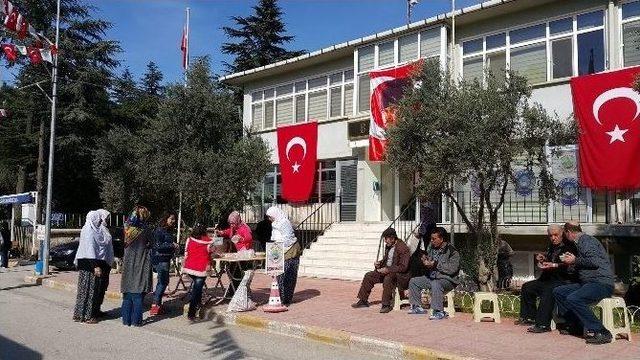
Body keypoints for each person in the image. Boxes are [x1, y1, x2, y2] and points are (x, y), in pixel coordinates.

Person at [553, 222, 615, 345]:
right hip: (588, 283)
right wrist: (569, 263)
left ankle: (602, 332)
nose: (565, 237)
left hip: (601, 283)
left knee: (574, 298)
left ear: (569, 232)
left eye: (564, 234)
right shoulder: (581, 243)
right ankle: (577, 326)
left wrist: (575, 260)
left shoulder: (587, 241)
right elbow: (583, 265)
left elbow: (594, 261)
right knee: (559, 292)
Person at [516, 224, 578, 333]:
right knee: (527, 287)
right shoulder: (551, 246)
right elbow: (550, 260)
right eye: (550, 236)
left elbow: (570, 266)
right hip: (548, 278)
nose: (553, 238)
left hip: (564, 280)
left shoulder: (570, 246)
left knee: (548, 290)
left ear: (562, 233)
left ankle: (543, 324)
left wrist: (553, 265)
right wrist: (542, 259)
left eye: (555, 235)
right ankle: (530, 317)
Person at [352, 227, 411, 313]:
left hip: (400, 275)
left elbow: (403, 267)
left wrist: (388, 269)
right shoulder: (389, 246)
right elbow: (387, 260)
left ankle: (386, 304)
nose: (385, 241)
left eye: (386, 239)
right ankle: (363, 300)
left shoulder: (403, 248)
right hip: (388, 271)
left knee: (388, 278)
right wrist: (379, 264)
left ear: (392, 238)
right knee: (369, 275)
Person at [407, 227, 460, 320]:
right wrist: (425, 260)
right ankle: (416, 307)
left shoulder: (452, 251)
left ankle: (439, 311)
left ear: (442, 239)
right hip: (431, 277)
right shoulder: (431, 247)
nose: (431, 241)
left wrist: (435, 264)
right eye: (431, 238)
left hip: (447, 280)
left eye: (434, 239)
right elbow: (429, 258)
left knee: (436, 283)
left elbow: (452, 269)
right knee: (414, 281)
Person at [73, 211, 109, 323]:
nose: (100, 221)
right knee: (90, 291)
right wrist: (95, 266)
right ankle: (88, 316)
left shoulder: (90, 229)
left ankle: (81, 314)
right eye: (98, 219)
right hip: (90, 265)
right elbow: (90, 250)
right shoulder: (89, 231)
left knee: (87, 291)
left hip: (87, 264)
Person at [120, 205, 153, 327]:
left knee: (127, 293)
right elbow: (152, 244)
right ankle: (136, 321)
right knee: (138, 294)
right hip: (141, 262)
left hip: (128, 264)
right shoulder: (146, 230)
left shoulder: (126, 228)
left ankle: (126, 320)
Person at [266, 206, 302, 306]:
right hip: (279, 250)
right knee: (279, 275)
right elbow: (275, 236)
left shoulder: (284, 222)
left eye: (270, 216)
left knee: (289, 276)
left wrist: (279, 246)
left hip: (290, 250)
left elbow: (288, 238)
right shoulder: (275, 223)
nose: (269, 219)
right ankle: (279, 298)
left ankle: (286, 299)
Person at [182, 224, 213, 320]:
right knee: (196, 290)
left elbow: (186, 252)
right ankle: (191, 312)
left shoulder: (189, 240)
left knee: (197, 288)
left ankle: (198, 304)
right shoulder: (208, 242)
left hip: (190, 267)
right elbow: (211, 253)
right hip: (201, 268)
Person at [150, 211, 178, 316]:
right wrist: (172, 245)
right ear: (166, 219)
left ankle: (157, 304)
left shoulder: (168, 230)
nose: (173, 221)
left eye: (174, 219)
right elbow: (158, 246)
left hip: (165, 259)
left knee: (161, 282)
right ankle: (155, 305)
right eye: (171, 219)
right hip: (160, 260)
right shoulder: (159, 231)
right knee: (163, 282)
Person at [94, 209, 114, 318]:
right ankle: (94, 310)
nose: (108, 219)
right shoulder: (98, 230)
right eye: (106, 217)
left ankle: (98, 308)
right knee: (98, 287)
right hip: (100, 262)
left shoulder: (105, 229)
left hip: (106, 262)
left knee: (103, 287)